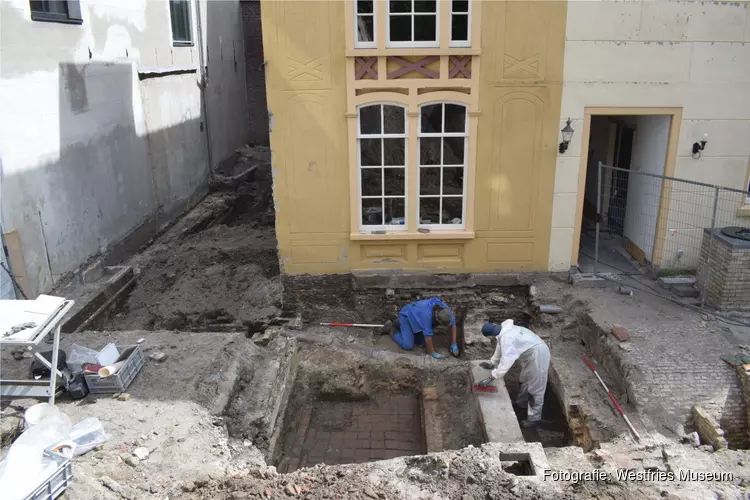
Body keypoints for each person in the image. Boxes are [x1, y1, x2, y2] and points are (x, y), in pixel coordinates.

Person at [477, 319, 550, 428]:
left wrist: (492, 377)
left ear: (490, 337)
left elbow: (507, 361)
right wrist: (493, 362)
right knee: (524, 380)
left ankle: (534, 419)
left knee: (535, 389)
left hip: (539, 355)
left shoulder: (507, 338)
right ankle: (522, 404)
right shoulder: (503, 330)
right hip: (530, 355)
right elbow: (500, 346)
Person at [380, 298, 458, 359]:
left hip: (416, 315)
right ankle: (392, 329)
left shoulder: (445, 310)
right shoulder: (427, 317)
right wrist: (433, 353)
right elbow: (428, 339)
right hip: (407, 315)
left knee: (422, 342)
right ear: (438, 319)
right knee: (408, 345)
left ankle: (402, 327)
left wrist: (454, 343)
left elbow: (453, 323)